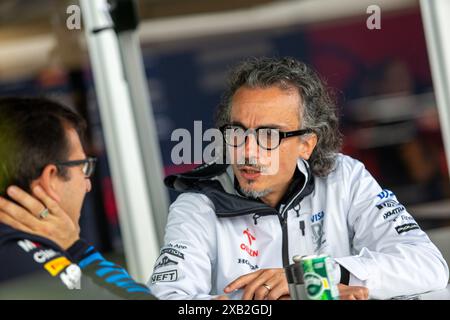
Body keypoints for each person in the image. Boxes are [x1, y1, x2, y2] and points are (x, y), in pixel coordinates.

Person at [148, 57, 448, 300]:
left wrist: (317, 276)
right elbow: (168, 298)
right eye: (237, 132)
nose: (247, 152)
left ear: (306, 144)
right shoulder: (198, 204)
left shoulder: (344, 176)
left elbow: (428, 266)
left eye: (268, 135)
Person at [0, 97, 154, 299]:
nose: (88, 184)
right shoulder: (45, 278)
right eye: (83, 167)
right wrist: (76, 248)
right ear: (50, 178)